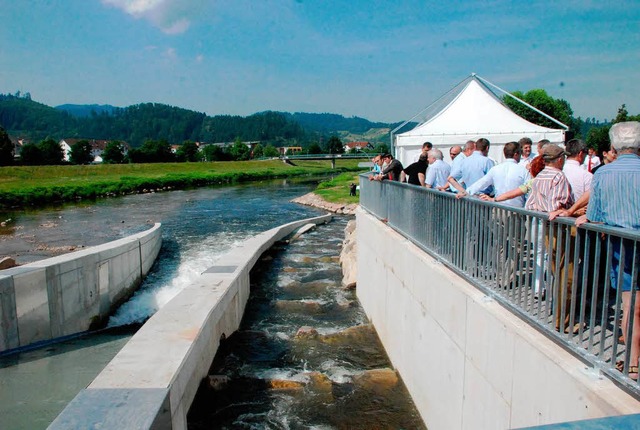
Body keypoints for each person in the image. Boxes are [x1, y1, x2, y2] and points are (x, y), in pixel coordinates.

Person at [580, 121, 640, 379]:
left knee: (630, 307)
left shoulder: (603, 174)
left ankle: (633, 362)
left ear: (614, 147)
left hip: (623, 247)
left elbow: (595, 215)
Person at [525, 144, 576, 332]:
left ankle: (558, 313)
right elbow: (556, 204)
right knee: (566, 275)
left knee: (556, 270)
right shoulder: (558, 176)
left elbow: (530, 204)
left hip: (546, 227)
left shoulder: (538, 177)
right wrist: (569, 210)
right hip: (559, 228)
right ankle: (563, 319)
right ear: (560, 159)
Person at [459, 142, 530, 207]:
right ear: (516, 154)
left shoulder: (495, 169)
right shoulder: (523, 170)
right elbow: (529, 191)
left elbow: (482, 182)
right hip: (517, 210)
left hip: (498, 207)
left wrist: (467, 192)